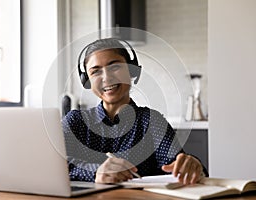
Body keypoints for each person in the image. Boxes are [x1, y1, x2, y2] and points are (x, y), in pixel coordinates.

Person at [62, 38, 208, 185]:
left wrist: (191, 167)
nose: (106, 78)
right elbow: (51, 163)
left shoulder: (151, 121)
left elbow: (176, 165)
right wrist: (95, 172)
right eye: (95, 72)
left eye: (115, 67)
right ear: (86, 80)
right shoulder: (75, 121)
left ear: (132, 70)